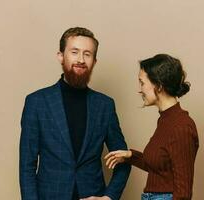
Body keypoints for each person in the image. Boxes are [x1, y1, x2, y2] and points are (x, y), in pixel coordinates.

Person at [19, 27, 131, 200]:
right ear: (61, 56)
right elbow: (27, 165)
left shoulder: (105, 105)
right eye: (74, 52)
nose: (80, 59)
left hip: (92, 194)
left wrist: (109, 197)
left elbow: (124, 159)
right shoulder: (36, 102)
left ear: (94, 61)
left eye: (87, 54)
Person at [105, 54, 199, 200]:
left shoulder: (181, 126)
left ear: (159, 86)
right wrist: (130, 155)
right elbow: (159, 166)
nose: (139, 90)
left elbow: (183, 192)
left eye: (142, 83)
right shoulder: (166, 120)